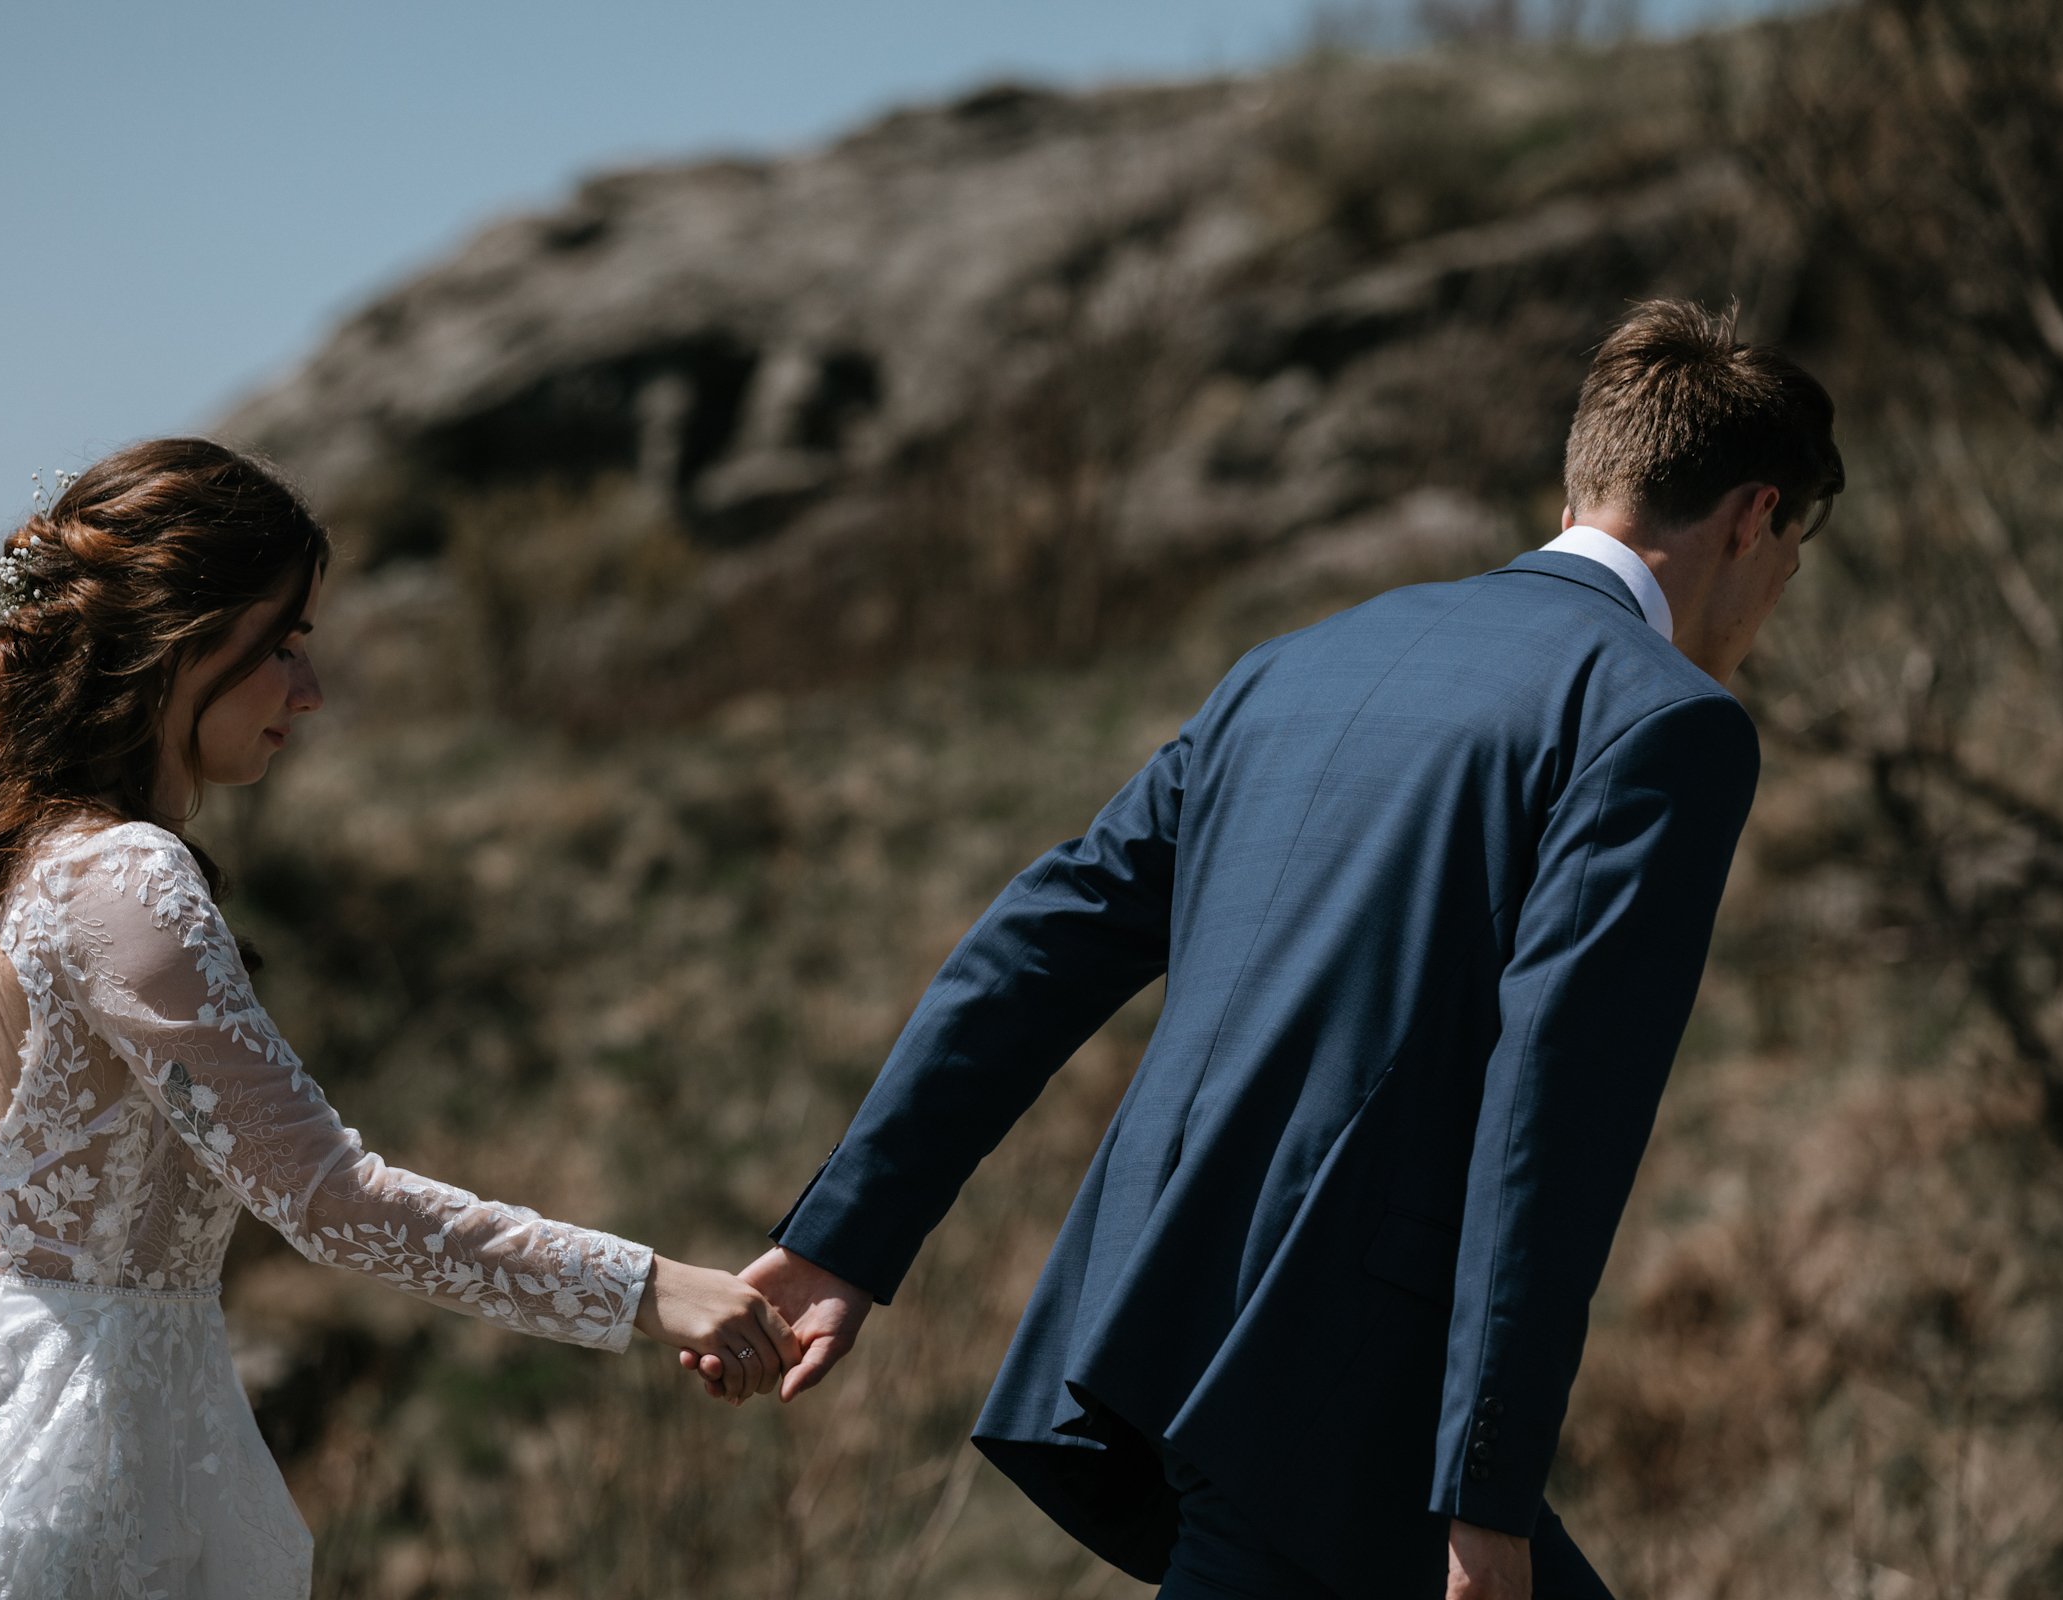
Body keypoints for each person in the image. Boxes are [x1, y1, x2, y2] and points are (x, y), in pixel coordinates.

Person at [692, 301, 1846, 1598]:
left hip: (1143, 1341)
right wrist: (1485, 1496)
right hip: (1342, 1409)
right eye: (1788, 564)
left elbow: (1043, 938)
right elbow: (1556, 1115)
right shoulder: (1664, 722)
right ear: (1754, 519)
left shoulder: (1295, 665)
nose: (1765, 609)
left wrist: (847, 1233)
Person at [0, 438, 797, 1600]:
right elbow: (331, 1202)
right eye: (280, 645)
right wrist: (646, 1289)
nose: (309, 689)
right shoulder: (126, 873)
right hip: (81, 1448)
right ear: (172, 649)